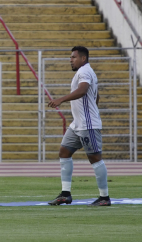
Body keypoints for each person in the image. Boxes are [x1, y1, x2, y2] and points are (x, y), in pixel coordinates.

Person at [47, 46, 110, 206]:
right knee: (64, 152)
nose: (71, 59)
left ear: (83, 58)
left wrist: (61, 99)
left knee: (95, 158)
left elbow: (83, 90)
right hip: (77, 124)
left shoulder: (84, 72)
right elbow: (96, 95)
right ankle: (65, 194)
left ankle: (104, 197)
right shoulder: (84, 72)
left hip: (87, 125)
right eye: (70, 57)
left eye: (74, 57)